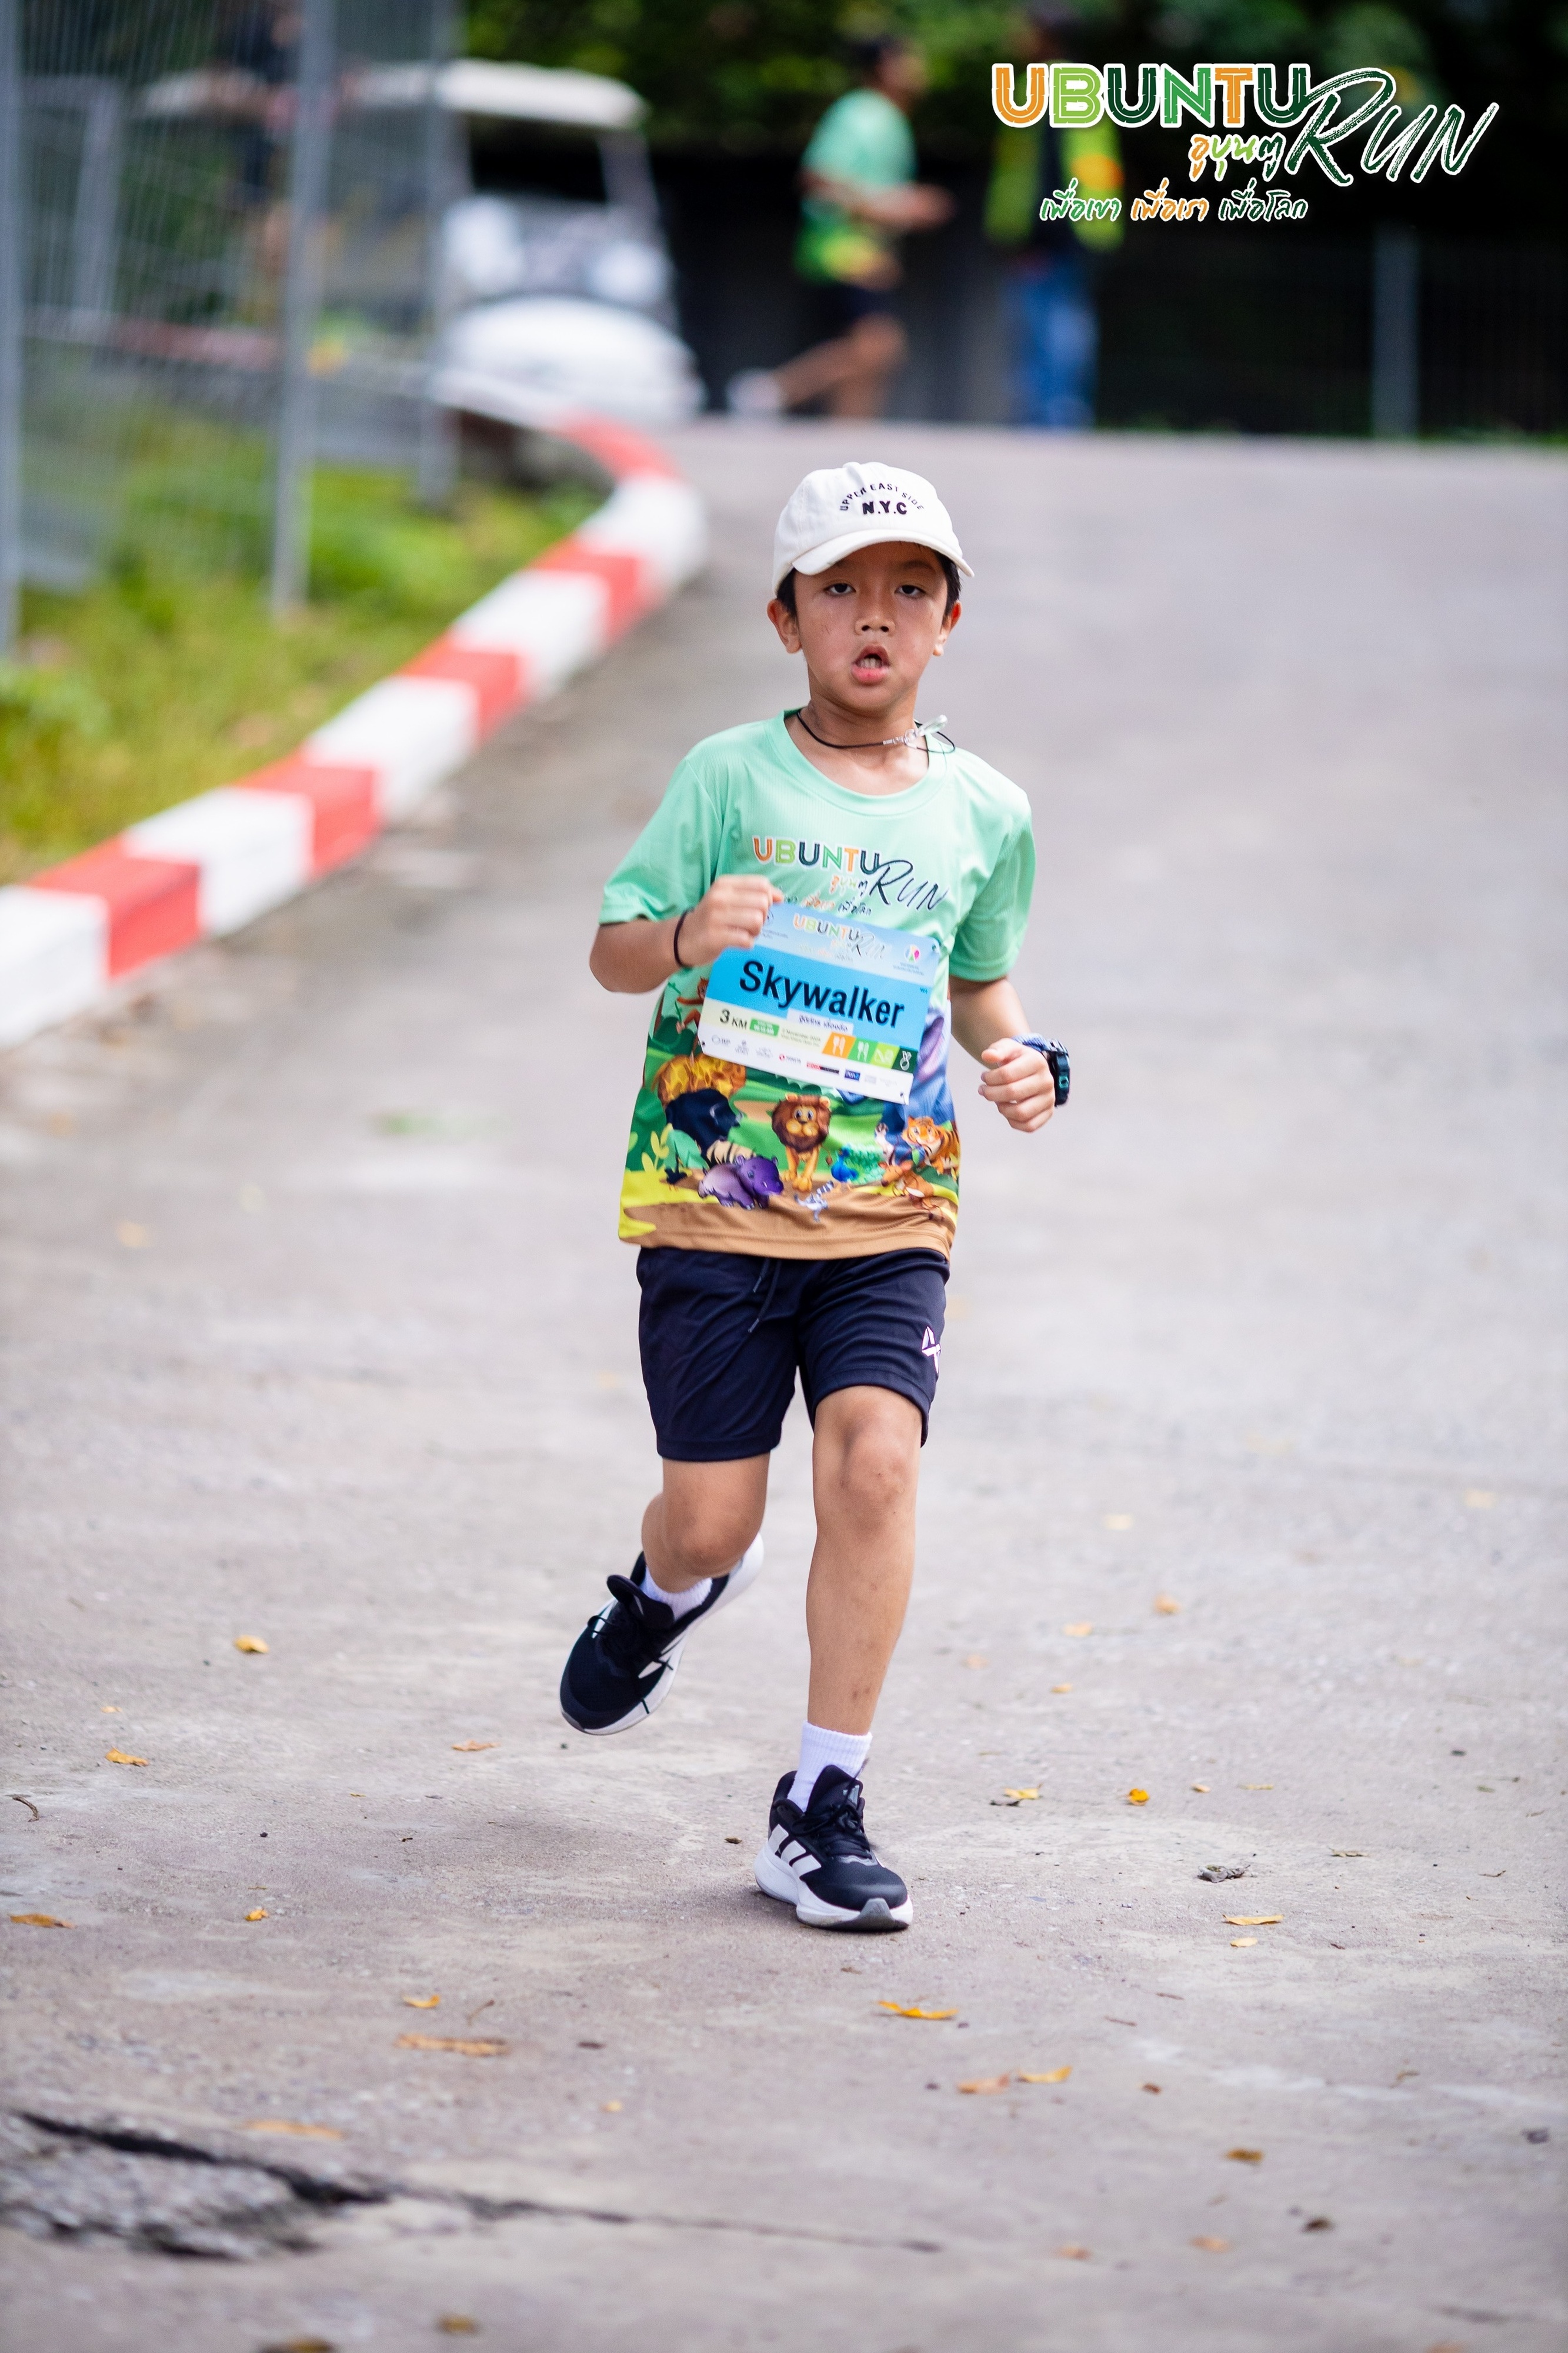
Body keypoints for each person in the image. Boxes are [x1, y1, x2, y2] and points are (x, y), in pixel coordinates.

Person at [558, 459, 1065, 1933]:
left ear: (949, 621)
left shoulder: (986, 811)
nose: (874, 615)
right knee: (712, 1521)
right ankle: (662, 1593)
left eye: (909, 589)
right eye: (839, 587)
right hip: (715, 1200)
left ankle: (818, 1803)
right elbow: (610, 949)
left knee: (875, 1464)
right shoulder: (725, 778)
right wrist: (682, 934)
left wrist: (1019, 1054)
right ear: (785, 619)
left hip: (890, 1208)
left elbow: (978, 980)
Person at [726, 38, 952, 421]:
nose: (920, 68)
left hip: (865, 248)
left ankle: (847, 437)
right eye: (911, 59)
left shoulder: (886, 117)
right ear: (885, 65)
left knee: (871, 354)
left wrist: (902, 207)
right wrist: (896, 208)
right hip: (842, 247)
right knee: (878, 347)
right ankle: (772, 391)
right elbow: (819, 178)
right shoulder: (862, 114)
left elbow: (868, 186)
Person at [985, 4, 1123, 429]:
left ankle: (1050, 421)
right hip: (1078, 226)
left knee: (1049, 327)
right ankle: (1056, 417)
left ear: (1045, 35)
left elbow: (1051, 166)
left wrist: (1034, 234)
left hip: (1055, 231)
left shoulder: (1049, 87)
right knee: (1062, 323)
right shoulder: (1082, 84)